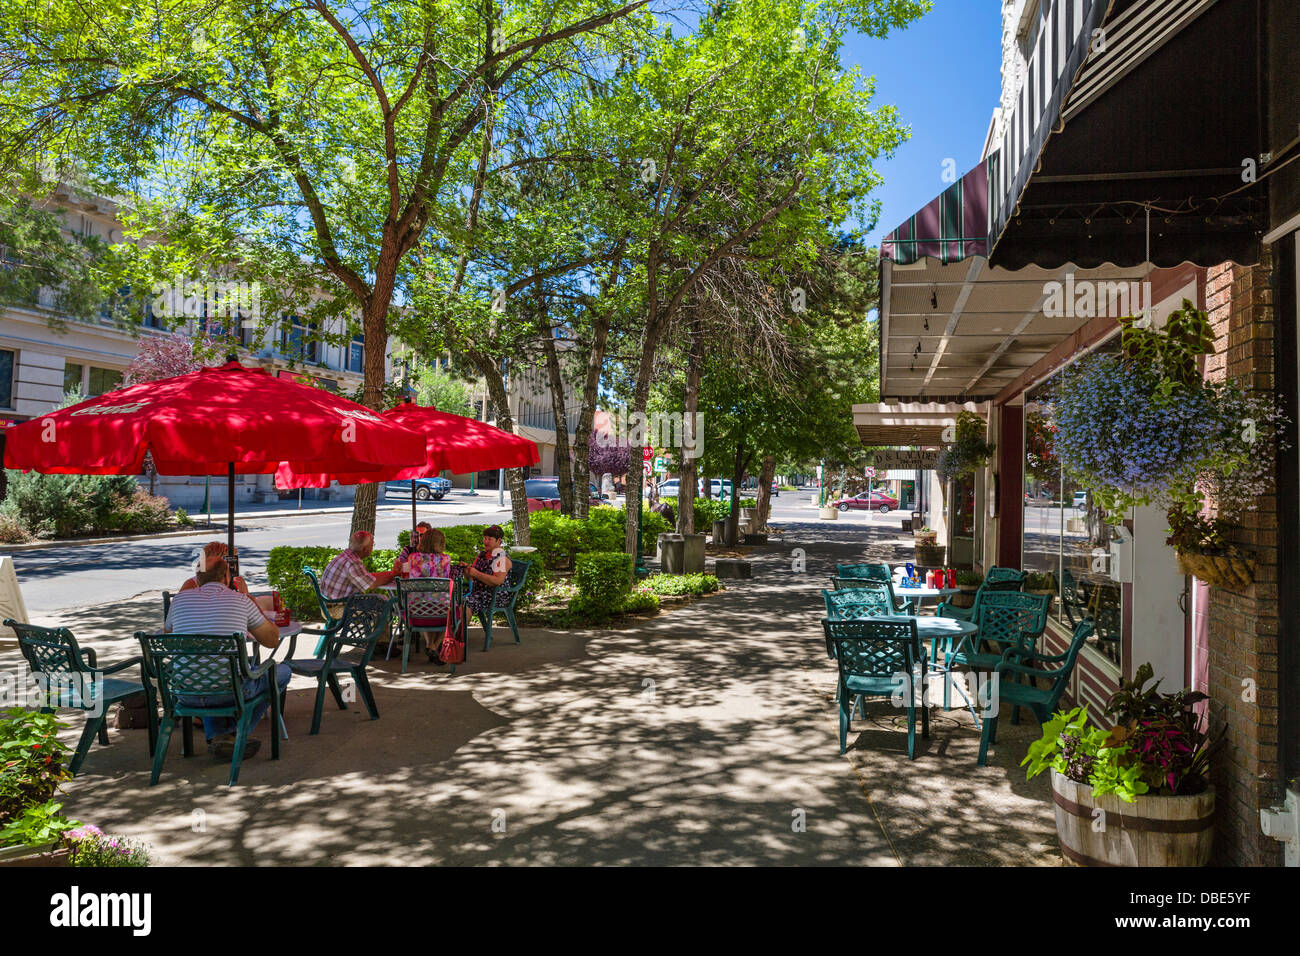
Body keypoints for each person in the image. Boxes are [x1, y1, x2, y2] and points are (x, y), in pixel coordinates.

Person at [164, 557, 290, 758]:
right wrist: (256, 611)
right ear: (225, 576)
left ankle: (221, 737)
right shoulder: (241, 600)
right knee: (281, 671)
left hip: (184, 692)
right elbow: (272, 640)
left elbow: (167, 637)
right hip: (230, 692)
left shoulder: (179, 601)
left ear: (197, 577)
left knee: (209, 671)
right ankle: (235, 734)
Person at [320, 530, 397, 600]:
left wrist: (390, 573)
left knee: (381, 599)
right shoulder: (353, 562)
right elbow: (371, 584)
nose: (372, 548)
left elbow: (367, 577)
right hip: (337, 608)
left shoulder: (346, 556)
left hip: (330, 604)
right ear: (365, 549)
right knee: (384, 601)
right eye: (372, 545)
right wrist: (394, 574)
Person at [456, 525, 512, 620]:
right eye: (485, 538)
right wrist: (466, 570)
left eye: (489, 539)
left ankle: (460, 633)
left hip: (494, 595)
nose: (485, 542)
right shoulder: (482, 555)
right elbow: (471, 578)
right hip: (477, 592)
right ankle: (452, 631)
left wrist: (476, 573)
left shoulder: (501, 558)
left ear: (499, 541)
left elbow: (497, 581)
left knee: (464, 603)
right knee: (452, 598)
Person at [179, 542, 248, 595]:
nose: (234, 566)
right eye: (231, 562)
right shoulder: (192, 584)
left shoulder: (237, 581)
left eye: (234, 561)